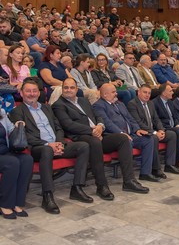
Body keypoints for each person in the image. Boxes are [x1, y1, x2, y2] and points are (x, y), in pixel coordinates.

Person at [52, 78, 149, 197]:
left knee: (123, 138)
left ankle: (129, 181)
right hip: (81, 137)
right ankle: (101, 185)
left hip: (98, 134)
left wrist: (100, 126)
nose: (68, 90)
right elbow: (68, 125)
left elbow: (98, 116)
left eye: (72, 87)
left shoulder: (84, 101)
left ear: (77, 89)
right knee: (95, 142)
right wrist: (92, 131)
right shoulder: (59, 105)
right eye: (66, 87)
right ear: (62, 89)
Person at [9, 79, 93, 214]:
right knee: (47, 150)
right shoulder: (17, 111)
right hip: (37, 148)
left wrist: (59, 143)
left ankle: (77, 187)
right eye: (28, 91)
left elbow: (59, 128)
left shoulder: (47, 107)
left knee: (83, 146)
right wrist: (49, 144)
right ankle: (47, 195)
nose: (32, 94)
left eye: (34, 91)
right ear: (21, 93)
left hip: (56, 144)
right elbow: (25, 135)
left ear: (38, 93)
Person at [127, 84, 179, 175]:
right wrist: (154, 132)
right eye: (145, 92)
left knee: (172, 134)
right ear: (138, 92)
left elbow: (156, 119)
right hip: (141, 133)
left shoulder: (150, 103)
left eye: (149, 93)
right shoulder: (132, 104)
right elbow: (138, 123)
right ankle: (155, 168)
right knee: (154, 138)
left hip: (154, 131)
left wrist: (161, 130)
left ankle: (169, 164)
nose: (147, 95)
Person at [0, 109, 33, 219]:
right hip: (5, 157)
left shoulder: (1, 112)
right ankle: (5, 203)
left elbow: (11, 129)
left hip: (4, 152)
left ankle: (17, 202)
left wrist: (18, 125)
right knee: (12, 162)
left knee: (27, 160)